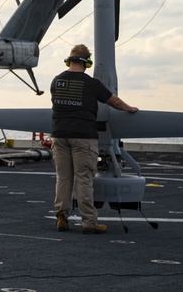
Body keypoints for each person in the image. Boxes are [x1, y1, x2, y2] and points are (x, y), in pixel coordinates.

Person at [50, 44, 138, 235]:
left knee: (63, 178)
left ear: (69, 60)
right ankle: (89, 222)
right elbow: (113, 101)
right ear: (87, 63)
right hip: (83, 138)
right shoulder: (91, 84)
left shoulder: (56, 81)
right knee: (84, 179)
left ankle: (61, 218)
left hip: (59, 136)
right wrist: (129, 108)